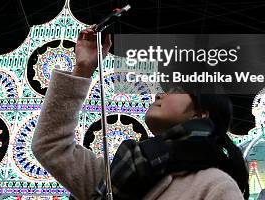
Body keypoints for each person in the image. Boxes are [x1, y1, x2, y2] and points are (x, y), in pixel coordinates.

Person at [32, 28, 249, 200]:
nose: (158, 96)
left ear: (202, 114)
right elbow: (51, 145)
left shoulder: (215, 186)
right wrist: (83, 68)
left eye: (177, 90)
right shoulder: (115, 174)